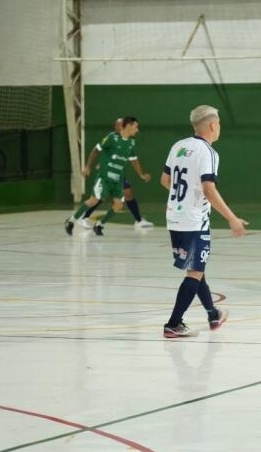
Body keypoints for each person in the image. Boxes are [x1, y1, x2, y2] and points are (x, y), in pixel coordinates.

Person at [160, 105, 247, 338]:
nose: (219, 127)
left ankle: (213, 315)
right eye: (218, 123)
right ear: (212, 125)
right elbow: (209, 188)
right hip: (194, 221)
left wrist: (184, 198)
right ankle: (174, 324)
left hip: (175, 217)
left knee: (196, 268)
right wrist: (232, 218)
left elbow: (165, 180)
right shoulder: (208, 152)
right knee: (194, 272)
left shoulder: (178, 146)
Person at [64, 116, 148, 236]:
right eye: (136, 127)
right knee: (94, 200)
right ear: (129, 126)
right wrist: (88, 166)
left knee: (118, 206)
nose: (137, 130)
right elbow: (96, 150)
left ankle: (99, 225)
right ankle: (71, 221)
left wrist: (141, 174)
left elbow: (134, 160)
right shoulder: (111, 138)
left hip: (117, 179)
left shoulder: (131, 142)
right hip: (104, 177)